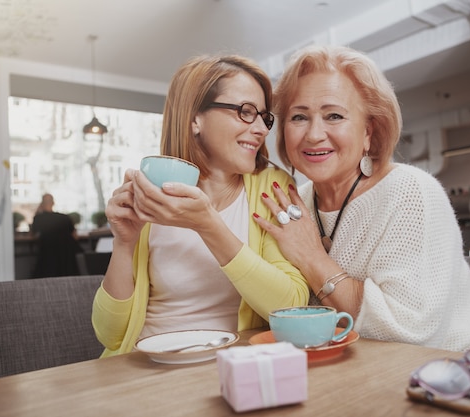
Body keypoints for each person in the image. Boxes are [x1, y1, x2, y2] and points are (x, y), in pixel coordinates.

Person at [254, 44, 470, 355]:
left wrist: (312, 257)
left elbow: (407, 332)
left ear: (368, 132)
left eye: (334, 115)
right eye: (299, 117)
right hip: (348, 368)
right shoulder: (292, 203)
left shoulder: (411, 192)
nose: (314, 134)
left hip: (455, 374)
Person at [91, 54, 309, 357]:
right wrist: (124, 243)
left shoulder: (270, 188)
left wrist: (209, 225)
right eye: (246, 112)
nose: (261, 128)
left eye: (264, 116)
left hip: (227, 364)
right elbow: (111, 336)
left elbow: (291, 305)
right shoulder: (153, 192)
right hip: (143, 367)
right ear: (195, 118)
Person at [31, 193, 82, 278]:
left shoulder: (39, 218)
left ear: (42, 204)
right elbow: (75, 237)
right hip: (67, 261)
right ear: (53, 203)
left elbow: (34, 235)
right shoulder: (64, 218)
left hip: (48, 260)